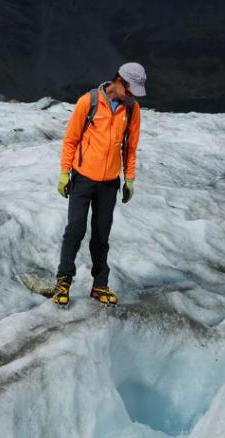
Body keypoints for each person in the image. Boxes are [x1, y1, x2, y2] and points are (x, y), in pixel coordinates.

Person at [52, 62, 145, 307]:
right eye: (130, 90)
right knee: (75, 229)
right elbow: (71, 140)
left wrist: (130, 179)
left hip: (109, 184)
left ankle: (99, 285)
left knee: (101, 235)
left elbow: (130, 148)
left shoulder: (132, 110)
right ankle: (63, 281)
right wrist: (65, 173)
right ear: (118, 81)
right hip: (82, 179)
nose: (132, 95)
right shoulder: (89, 102)